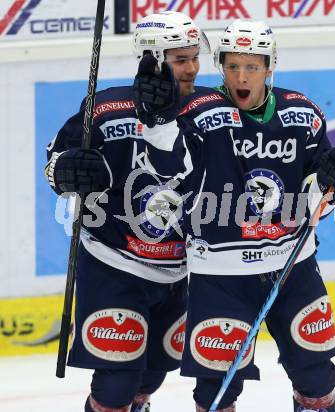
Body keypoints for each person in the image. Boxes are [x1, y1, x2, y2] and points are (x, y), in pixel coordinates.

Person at [135, 20, 335, 412]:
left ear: (270, 67)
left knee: (316, 374)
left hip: (293, 267)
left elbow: (317, 196)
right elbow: (167, 165)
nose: (242, 76)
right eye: (233, 66)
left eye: (252, 67)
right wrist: (157, 122)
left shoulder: (302, 114)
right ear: (221, 66)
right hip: (220, 274)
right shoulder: (195, 113)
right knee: (217, 389)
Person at [45, 11, 210, 412]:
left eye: (193, 57)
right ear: (151, 59)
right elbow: (55, 162)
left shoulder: (211, 109)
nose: (192, 68)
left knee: (153, 373)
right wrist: (67, 170)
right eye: (180, 59)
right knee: (117, 380)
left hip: (181, 267)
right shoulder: (105, 108)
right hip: (113, 262)